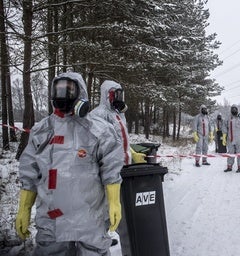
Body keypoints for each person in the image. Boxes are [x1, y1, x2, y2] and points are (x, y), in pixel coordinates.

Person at [15, 71, 123, 256]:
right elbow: (29, 173)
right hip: (52, 219)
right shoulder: (42, 131)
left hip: (91, 217)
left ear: (80, 93)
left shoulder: (99, 130)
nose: (63, 96)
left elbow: (111, 169)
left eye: (69, 90)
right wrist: (23, 209)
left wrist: (115, 203)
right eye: (59, 90)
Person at [90, 80, 146, 255]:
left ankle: (113, 231)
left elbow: (121, 140)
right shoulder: (97, 114)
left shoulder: (119, 114)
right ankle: (101, 237)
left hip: (123, 166)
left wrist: (132, 154)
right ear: (107, 94)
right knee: (104, 205)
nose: (119, 98)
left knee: (118, 203)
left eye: (121, 94)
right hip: (107, 168)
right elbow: (101, 145)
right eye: (115, 94)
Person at [222, 104, 240, 173]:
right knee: (230, 153)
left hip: (239, 140)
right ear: (231, 110)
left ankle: (239, 167)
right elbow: (224, 127)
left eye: (235, 109)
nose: (234, 110)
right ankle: (229, 166)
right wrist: (224, 136)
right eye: (232, 109)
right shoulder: (228, 118)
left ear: (237, 110)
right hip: (230, 139)